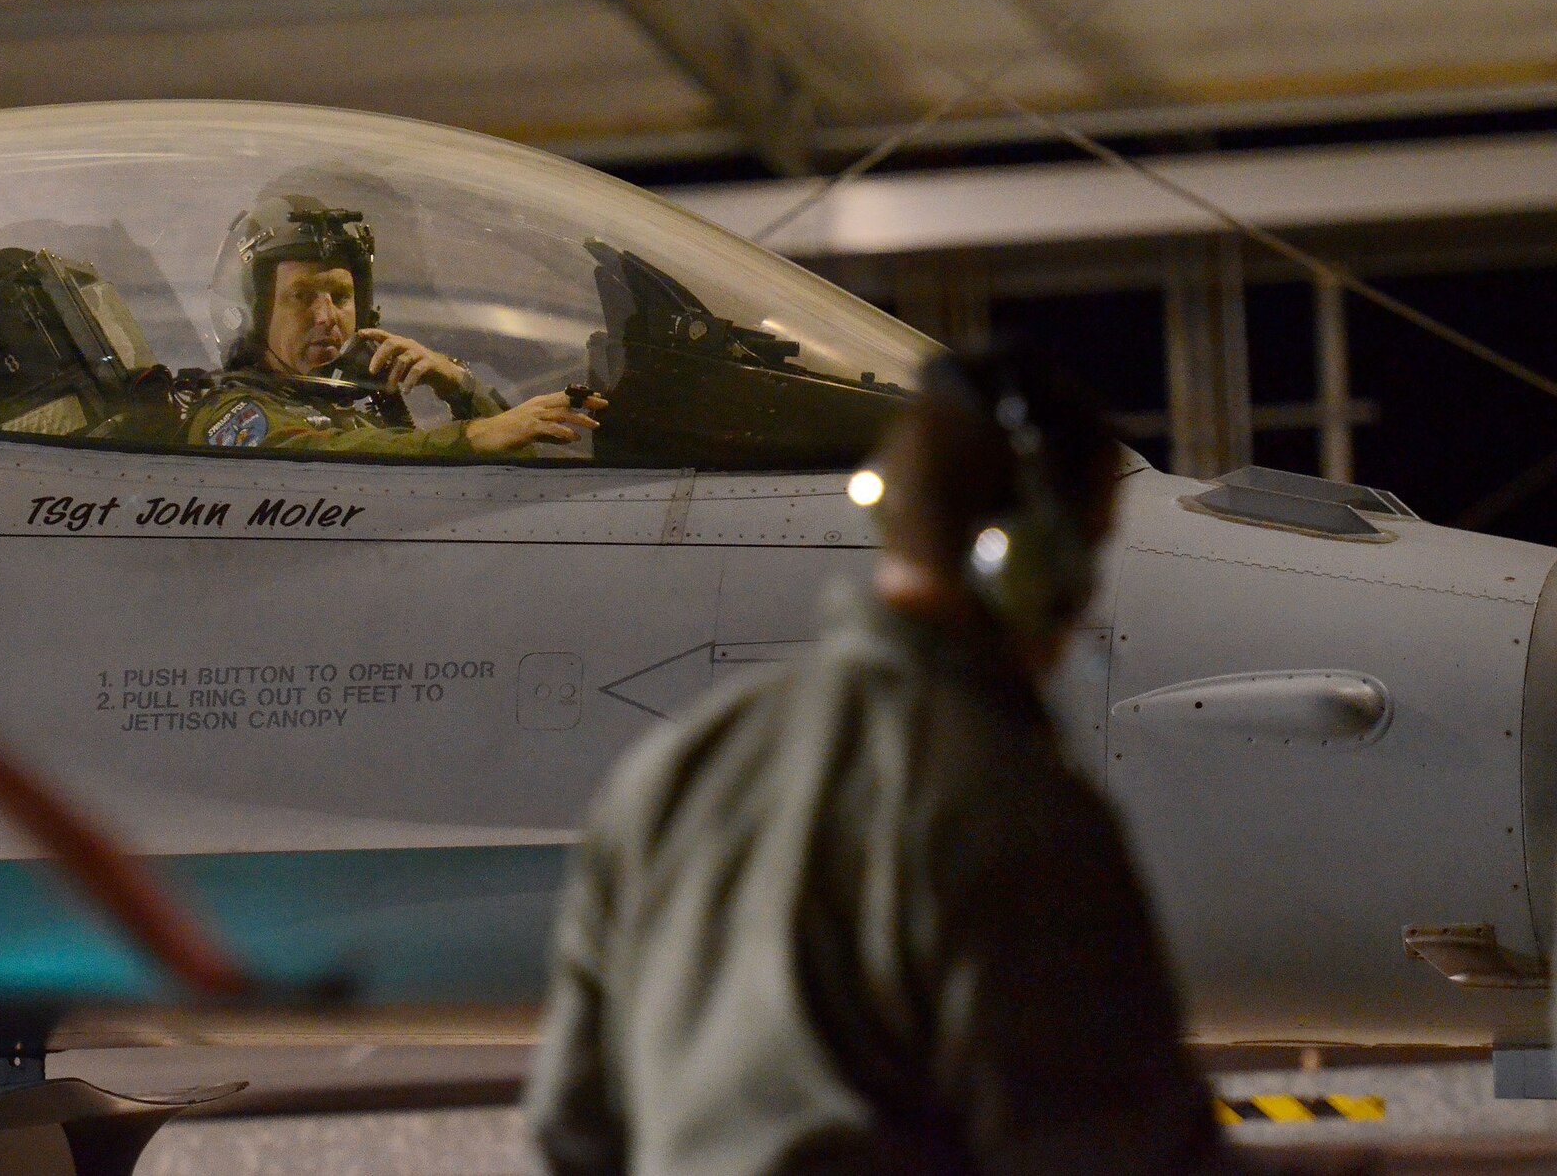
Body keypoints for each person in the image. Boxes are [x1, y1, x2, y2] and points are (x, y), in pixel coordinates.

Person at [525, 344, 1239, 1176]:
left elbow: (572, 1128)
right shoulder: (1016, 811)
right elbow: (1108, 1150)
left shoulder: (670, 771)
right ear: (1027, 557)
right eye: (1088, 552)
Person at [184, 194, 604, 457]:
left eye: (341, 296)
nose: (327, 317)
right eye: (301, 296)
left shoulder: (343, 414)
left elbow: (509, 473)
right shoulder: (232, 417)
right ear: (251, 314)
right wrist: (475, 434)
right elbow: (317, 468)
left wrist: (458, 385)